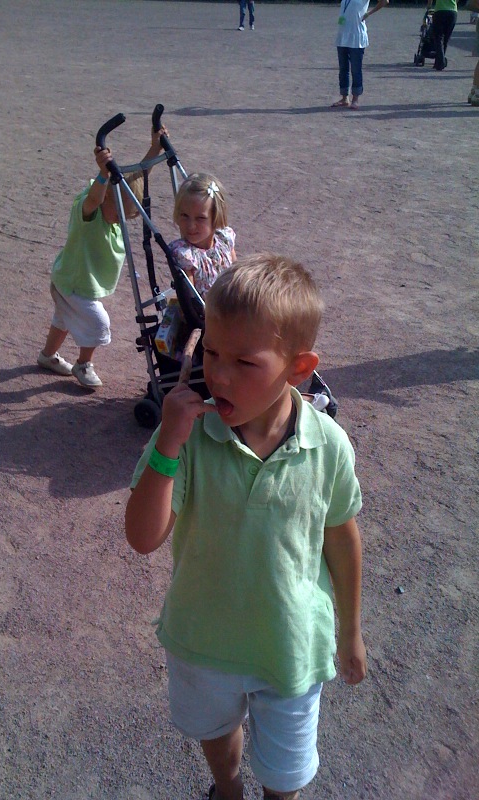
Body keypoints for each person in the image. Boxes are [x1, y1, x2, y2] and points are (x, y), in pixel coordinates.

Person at [126, 254, 367, 800]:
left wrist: (350, 629)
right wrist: (167, 443)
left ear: (298, 369)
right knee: (217, 736)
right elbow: (142, 538)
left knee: (286, 776)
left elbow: (341, 538)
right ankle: (227, 789)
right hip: (202, 641)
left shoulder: (328, 445)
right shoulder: (188, 437)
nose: (218, 374)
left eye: (244, 361)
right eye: (210, 351)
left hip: (291, 647)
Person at [37, 128, 167, 388]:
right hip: (73, 284)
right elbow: (95, 197)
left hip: (78, 282)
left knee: (63, 320)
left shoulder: (112, 210)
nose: (120, 220)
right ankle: (83, 364)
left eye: (126, 217)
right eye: (119, 214)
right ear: (107, 195)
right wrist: (103, 173)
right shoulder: (90, 212)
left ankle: (47, 356)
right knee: (98, 323)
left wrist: (155, 147)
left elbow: (137, 178)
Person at [168, 173, 236, 299]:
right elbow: (190, 301)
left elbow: (236, 274)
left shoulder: (225, 239)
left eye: (200, 218)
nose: (191, 225)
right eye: (184, 216)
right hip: (206, 309)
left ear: (216, 217)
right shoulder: (185, 255)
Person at [331, 0, 389, 110]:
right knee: (343, 69)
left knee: (356, 69)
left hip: (357, 36)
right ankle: (344, 98)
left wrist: (369, 13)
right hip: (343, 34)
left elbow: (384, 1)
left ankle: (355, 98)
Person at [428, 0, 458, 71]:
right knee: (446, 39)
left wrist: (429, 6)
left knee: (438, 37)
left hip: (440, 11)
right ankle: (438, 62)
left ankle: (441, 62)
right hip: (452, 11)